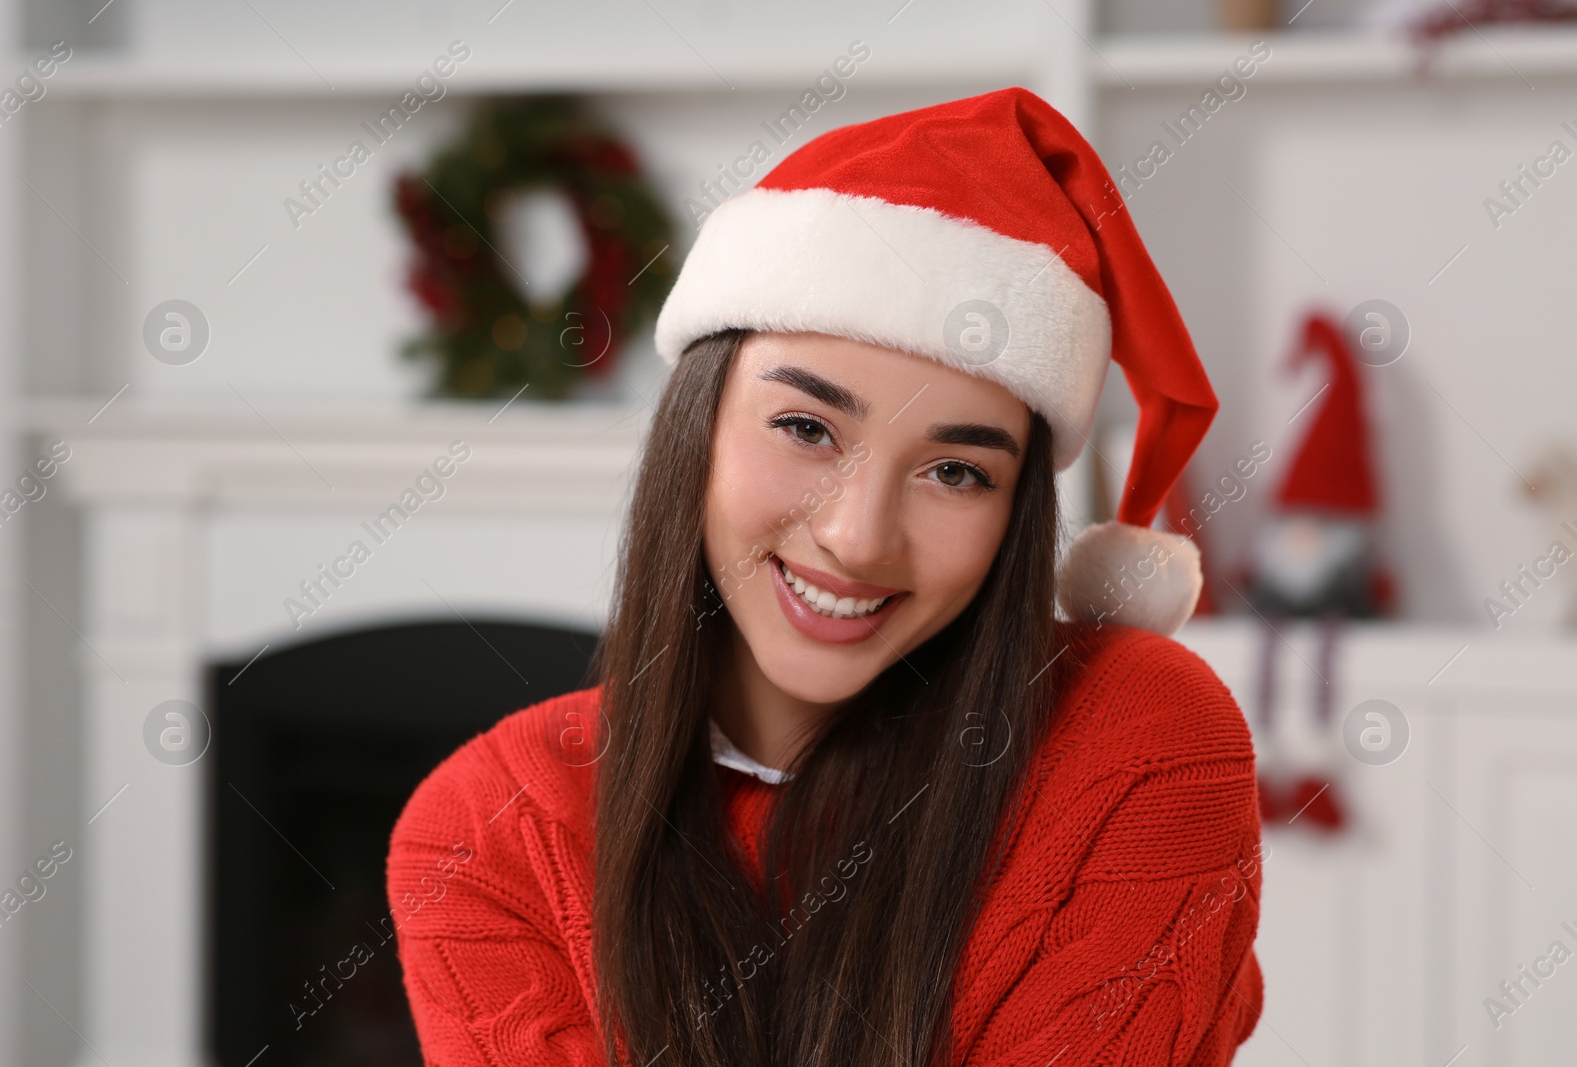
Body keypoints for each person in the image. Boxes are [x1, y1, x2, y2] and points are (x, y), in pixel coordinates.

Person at [386, 86, 1265, 1067]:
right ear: (698, 429)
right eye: (806, 427)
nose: (857, 537)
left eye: (955, 471)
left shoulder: (1133, 737)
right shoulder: (483, 829)